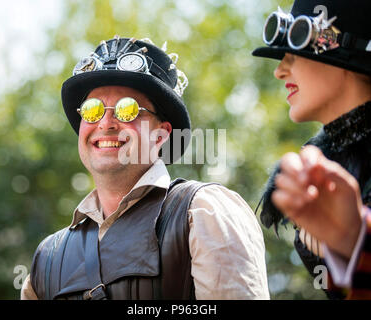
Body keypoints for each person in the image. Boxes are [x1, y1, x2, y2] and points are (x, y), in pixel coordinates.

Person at [21, 36, 269, 300]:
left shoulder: (204, 212)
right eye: (92, 110)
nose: (105, 123)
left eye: (126, 109)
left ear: (160, 136)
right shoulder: (47, 258)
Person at [252, 0, 371, 299]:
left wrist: (353, 237)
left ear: (346, 53)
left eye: (295, 52)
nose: (280, 71)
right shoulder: (328, 167)